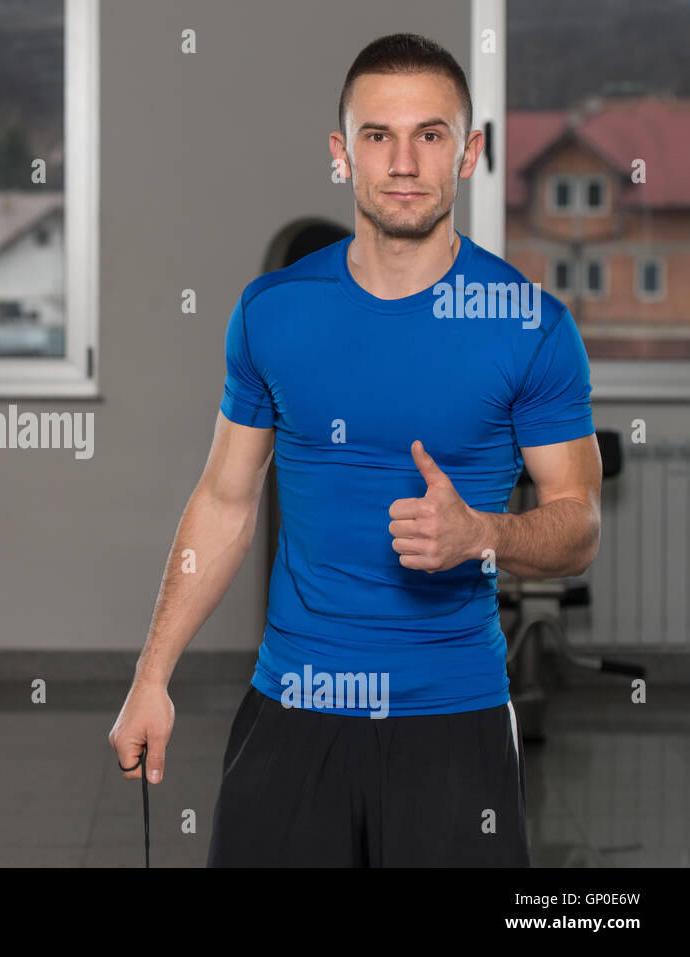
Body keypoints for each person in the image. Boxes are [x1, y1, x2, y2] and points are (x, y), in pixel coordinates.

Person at [108, 32, 603, 866]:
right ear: (342, 155)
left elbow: (579, 523)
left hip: (453, 719)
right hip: (294, 709)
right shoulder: (272, 312)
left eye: (430, 135)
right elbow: (227, 502)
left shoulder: (531, 327)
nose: (403, 162)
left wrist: (481, 534)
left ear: (470, 152)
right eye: (378, 136)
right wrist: (150, 675)